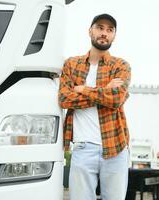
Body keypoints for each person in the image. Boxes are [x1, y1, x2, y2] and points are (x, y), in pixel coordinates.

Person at [58, 13, 131, 200]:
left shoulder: (121, 66)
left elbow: (116, 99)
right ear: (90, 31)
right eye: (100, 27)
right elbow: (65, 99)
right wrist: (104, 90)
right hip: (83, 148)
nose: (104, 33)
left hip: (116, 147)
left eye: (110, 30)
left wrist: (83, 89)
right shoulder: (71, 65)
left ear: (114, 35)